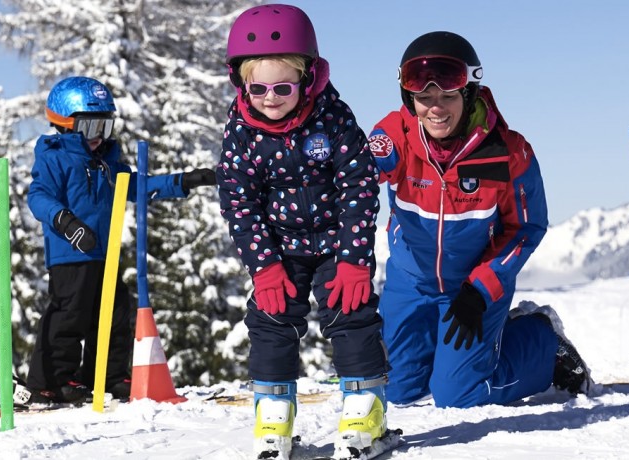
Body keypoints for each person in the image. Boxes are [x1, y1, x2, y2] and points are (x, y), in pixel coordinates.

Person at [368, 31, 590, 408]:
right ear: (410, 98)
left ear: (469, 92)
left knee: (458, 395)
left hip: (471, 289)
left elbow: (527, 227)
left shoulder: (508, 152)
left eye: (448, 95)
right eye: (424, 97)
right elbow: (355, 176)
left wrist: (481, 288)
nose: (435, 108)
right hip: (410, 282)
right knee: (397, 391)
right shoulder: (395, 138)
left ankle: (542, 342)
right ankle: (452, 354)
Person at [217, 4, 391, 459]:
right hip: (280, 248)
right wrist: (264, 265)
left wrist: (354, 258)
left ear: (308, 79)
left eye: (283, 87)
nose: (270, 97)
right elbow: (239, 203)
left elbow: (358, 187)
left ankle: (364, 407)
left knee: (350, 312)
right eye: (259, 88)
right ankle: (273, 413)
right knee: (271, 320)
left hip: (337, 241)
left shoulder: (333, 120)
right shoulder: (240, 135)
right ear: (242, 84)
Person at [21, 76, 216, 406]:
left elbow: (138, 186)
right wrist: (66, 223)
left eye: (105, 127)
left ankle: (106, 375)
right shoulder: (55, 158)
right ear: (66, 124)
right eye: (91, 127)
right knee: (70, 313)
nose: (99, 137)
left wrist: (183, 181)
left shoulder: (107, 163)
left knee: (116, 311)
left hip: (104, 253)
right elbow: (38, 196)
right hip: (70, 254)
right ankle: (51, 380)